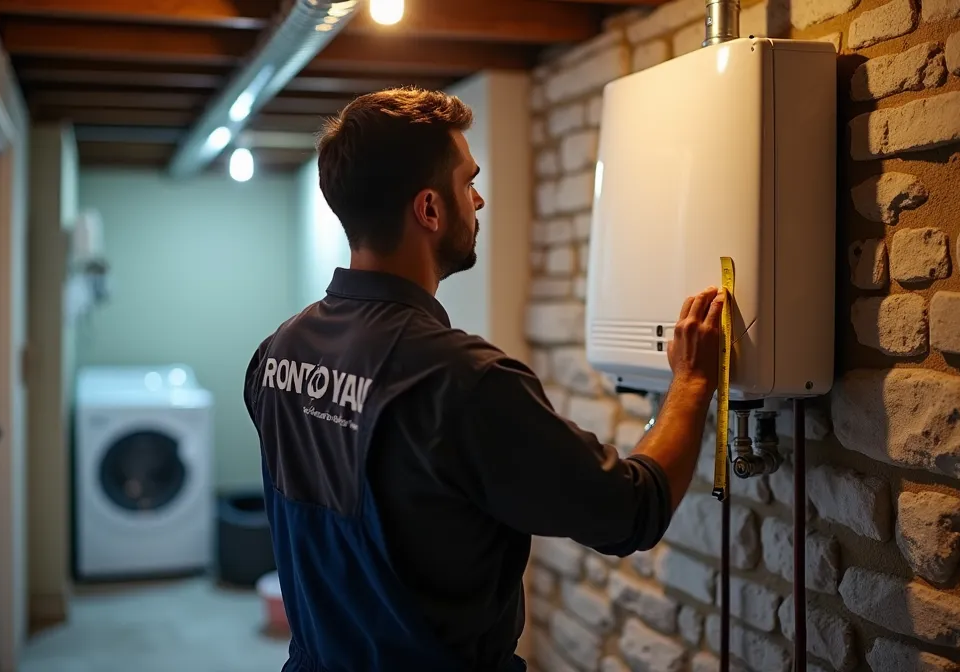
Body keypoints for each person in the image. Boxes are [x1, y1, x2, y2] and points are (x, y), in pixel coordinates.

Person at [243, 87, 726, 672]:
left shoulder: (276, 353)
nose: (480, 199)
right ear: (430, 210)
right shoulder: (463, 381)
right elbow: (632, 510)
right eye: (468, 181)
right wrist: (693, 383)